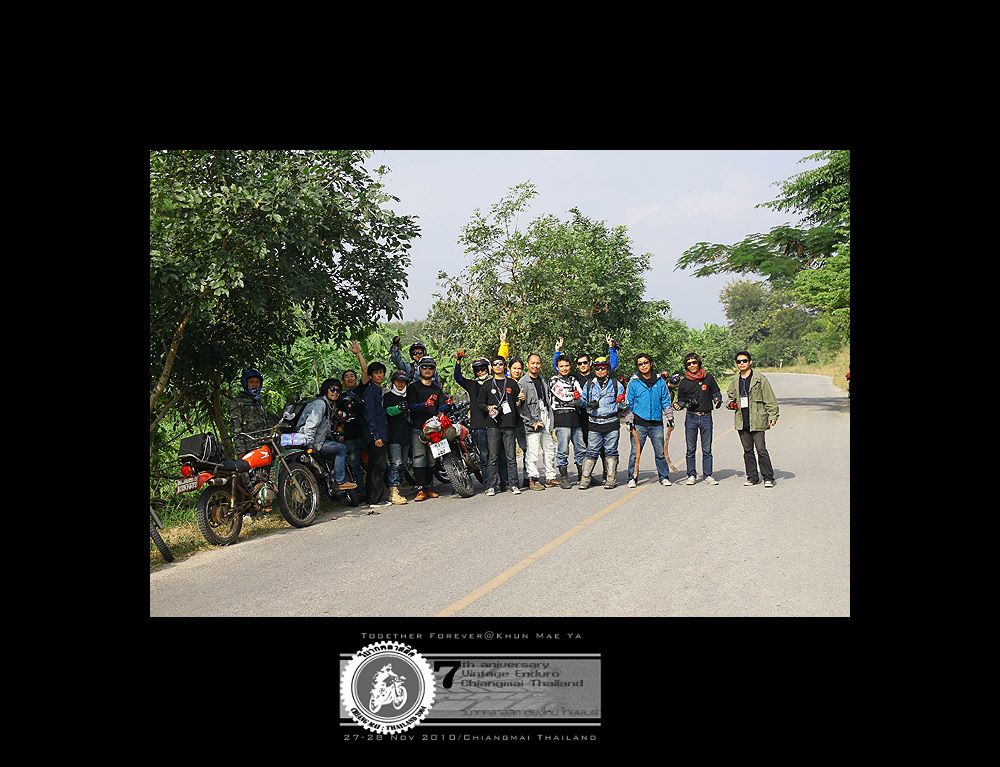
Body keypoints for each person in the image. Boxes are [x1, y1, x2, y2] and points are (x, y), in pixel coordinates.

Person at [726, 351, 779, 488]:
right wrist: (731, 404)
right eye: (739, 361)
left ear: (750, 362)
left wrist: (773, 415)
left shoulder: (760, 379)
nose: (741, 363)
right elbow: (730, 398)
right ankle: (752, 477)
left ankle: (768, 477)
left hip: (757, 419)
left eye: (744, 361)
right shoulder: (735, 381)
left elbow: (770, 398)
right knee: (747, 450)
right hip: (742, 420)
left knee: (761, 449)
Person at [296, 378, 358, 491]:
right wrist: (309, 445)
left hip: (315, 440)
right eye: (332, 389)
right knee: (341, 449)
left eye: (338, 391)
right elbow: (311, 426)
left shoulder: (328, 405)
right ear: (326, 390)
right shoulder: (321, 405)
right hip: (312, 442)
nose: (335, 393)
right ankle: (339, 481)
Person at [579, 357, 629, 489]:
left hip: (611, 423)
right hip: (594, 423)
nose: (600, 371)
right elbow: (583, 402)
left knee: (611, 451)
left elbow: (624, 405)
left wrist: (622, 402)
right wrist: (577, 400)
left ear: (608, 369)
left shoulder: (616, 384)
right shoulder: (589, 384)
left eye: (603, 368)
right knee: (591, 451)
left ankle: (611, 479)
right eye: (597, 368)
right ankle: (585, 479)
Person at [625, 354, 673, 488]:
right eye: (640, 364)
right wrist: (629, 420)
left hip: (656, 423)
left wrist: (670, 417)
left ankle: (664, 477)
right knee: (635, 453)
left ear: (651, 363)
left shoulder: (660, 381)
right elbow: (629, 402)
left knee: (660, 452)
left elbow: (666, 400)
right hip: (639, 423)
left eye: (645, 363)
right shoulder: (633, 382)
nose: (643, 366)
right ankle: (632, 477)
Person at [674, 352, 722, 485]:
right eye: (689, 364)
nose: (692, 365)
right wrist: (679, 405)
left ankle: (708, 475)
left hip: (706, 417)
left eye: (694, 362)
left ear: (698, 363)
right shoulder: (684, 382)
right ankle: (691, 475)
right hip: (691, 417)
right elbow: (681, 400)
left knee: (707, 449)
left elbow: (716, 393)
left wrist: (717, 400)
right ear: (686, 366)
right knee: (690, 449)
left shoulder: (708, 378)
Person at [406, 356, 450, 501]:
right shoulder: (413, 387)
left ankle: (428, 488)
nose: (427, 370)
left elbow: (440, 408)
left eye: (430, 367)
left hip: (434, 429)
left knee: (432, 460)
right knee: (419, 459)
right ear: (419, 370)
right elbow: (411, 407)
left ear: (434, 370)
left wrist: (447, 405)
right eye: (424, 367)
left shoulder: (437, 389)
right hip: (418, 428)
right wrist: (424, 405)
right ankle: (420, 489)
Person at [478, 356, 522, 496]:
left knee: (511, 457)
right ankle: (491, 486)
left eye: (500, 364)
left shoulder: (512, 383)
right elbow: (480, 403)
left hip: (509, 424)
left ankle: (513, 484)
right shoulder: (487, 385)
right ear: (492, 367)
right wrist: (488, 408)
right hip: (493, 425)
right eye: (495, 364)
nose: (498, 366)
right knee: (493, 457)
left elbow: (517, 403)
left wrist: (521, 400)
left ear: (505, 366)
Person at [340, 340, 371, 503]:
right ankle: (361, 493)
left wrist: (359, 354)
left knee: (373, 463)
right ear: (343, 382)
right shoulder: (339, 397)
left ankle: (376, 490)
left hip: (365, 432)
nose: (350, 378)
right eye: (347, 377)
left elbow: (365, 370)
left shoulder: (360, 390)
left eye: (352, 375)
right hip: (350, 436)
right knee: (355, 466)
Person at [517, 354, 553, 490]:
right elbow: (521, 407)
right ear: (527, 364)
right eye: (532, 363)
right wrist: (532, 422)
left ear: (541, 365)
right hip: (532, 419)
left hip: (545, 416)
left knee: (549, 448)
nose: (535, 366)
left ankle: (550, 476)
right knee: (532, 451)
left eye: (538, 363)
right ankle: (533, 479)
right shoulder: (523, 382)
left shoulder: (542, 380)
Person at [549, 355, 586, 489]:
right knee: (563, 449)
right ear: (557, 368)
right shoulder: (553, 380)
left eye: (566, 366)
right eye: (561, 366)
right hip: (561, 417)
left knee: (581, 447)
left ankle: (583, 475)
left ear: (570, 366)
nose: (564, 368)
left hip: (575, 417)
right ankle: (564, 477)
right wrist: (575, 397)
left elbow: (582, 395)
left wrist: (577, 398)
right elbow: (563, 396)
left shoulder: (574, 379)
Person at [362, 361, 391, 509]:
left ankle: (371, 498)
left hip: (381, 433)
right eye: (376, 373)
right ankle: (375, 499)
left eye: (381, 373)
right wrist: (376, 436)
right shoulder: (370, 391)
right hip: (375, 435)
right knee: (380, 466)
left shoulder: (378, 390)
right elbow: (370, 415)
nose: (380, 375)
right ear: (370, 376)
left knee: (374, 466)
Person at [383, 370, 411, 505]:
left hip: (406, 435)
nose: (400, 384)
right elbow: (389, 411)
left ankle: (398, 487)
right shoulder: (388, 396)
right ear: (393, 382)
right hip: (393, 436)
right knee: (396, 463)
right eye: (398, 381)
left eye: (403, 382)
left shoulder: (408, 396)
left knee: (404, 464)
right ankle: (392, 491)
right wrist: (398, 408)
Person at [229, 368, 272, 454]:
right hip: (249, 448)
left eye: (257, 382)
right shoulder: (238, 402)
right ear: (246, 384)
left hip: (264, 446)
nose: (254, 385)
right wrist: (240, 451)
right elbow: (236, 428)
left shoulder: (260, 402)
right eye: (251, 382)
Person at [508, 359, 532, 488]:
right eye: (514, 368)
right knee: (509, 452)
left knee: (526, 449)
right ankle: (510, 481)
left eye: (519, 368)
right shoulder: (505, 383)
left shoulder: (524, 382)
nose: (517, 371)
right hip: (508, 422)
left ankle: (527, 477)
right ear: (509, 369)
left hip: (522, 421)